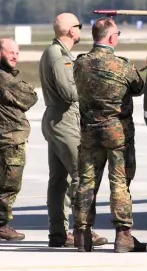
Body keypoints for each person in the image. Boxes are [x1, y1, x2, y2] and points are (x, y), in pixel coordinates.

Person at [72, 18, 147, 252]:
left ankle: (82, 234)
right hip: (117, 133)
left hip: (89, 131)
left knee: (86, 182)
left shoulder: (80, 64)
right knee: (120, 183)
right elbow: (138, 87)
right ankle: (123, 236)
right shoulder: (121, 65)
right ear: (112, 38)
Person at [38, 13, 106, 248]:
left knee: (59, 180)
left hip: (57, 119)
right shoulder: (59, 57)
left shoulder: (56, 53)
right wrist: (92, 86)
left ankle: (58, 231)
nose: (81, 30)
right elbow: (69, 93)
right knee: (81, 176)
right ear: (70, 30)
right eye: (79, 26)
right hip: (64, 120)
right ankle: (81, 229)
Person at [0, 39, 38, 242]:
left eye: (17, 53)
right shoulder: (3, 78)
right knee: (9, 185)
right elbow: (30, 97)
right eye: (10, 52)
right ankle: (1, 226)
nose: (14, 56)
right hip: (11, 137)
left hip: (1, 136)